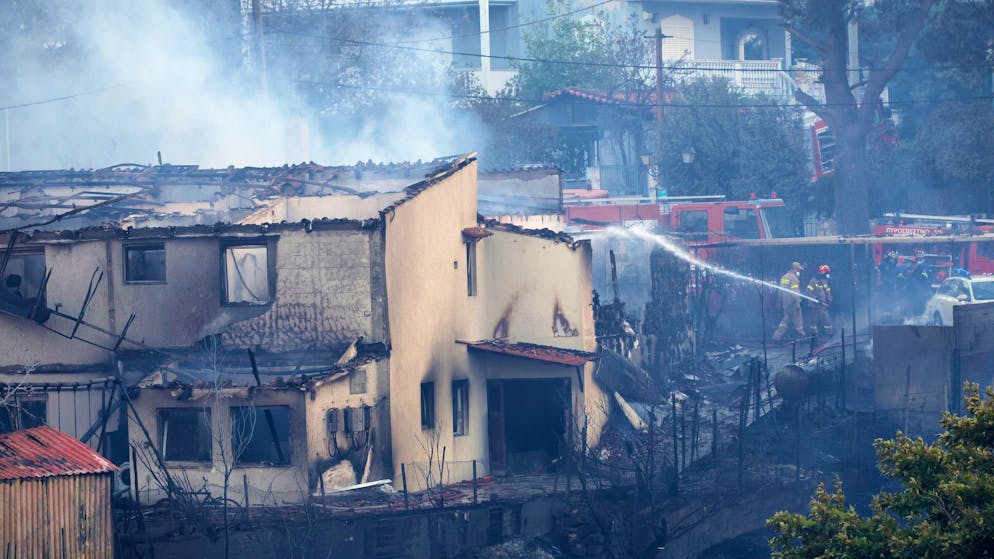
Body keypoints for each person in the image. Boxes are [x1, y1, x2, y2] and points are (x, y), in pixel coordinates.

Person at [772, 262, 805, 341]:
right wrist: (798, 303)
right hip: (793, 304)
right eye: (799, 270)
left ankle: (776, 337)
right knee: (798, 322)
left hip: (786, 304)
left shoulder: (784, 277)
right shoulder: (794, 279)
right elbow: (795, 292)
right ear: (795, 269)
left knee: (785, 321)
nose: (799, 272)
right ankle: (802, 337)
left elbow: (780, 291)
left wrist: (779, 302)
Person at [806, 265, 833, 337]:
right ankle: (813, 336)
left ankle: (829, 334)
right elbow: (808, 292)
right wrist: (817, 300)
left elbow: (828, 292)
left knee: (826, 320)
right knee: (813, 322)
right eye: (826, 272)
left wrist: (829, 301)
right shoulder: (813, 281)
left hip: (823, 306)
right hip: (814, 306)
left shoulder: (824, 281)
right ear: (822, 272)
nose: (827, 274)